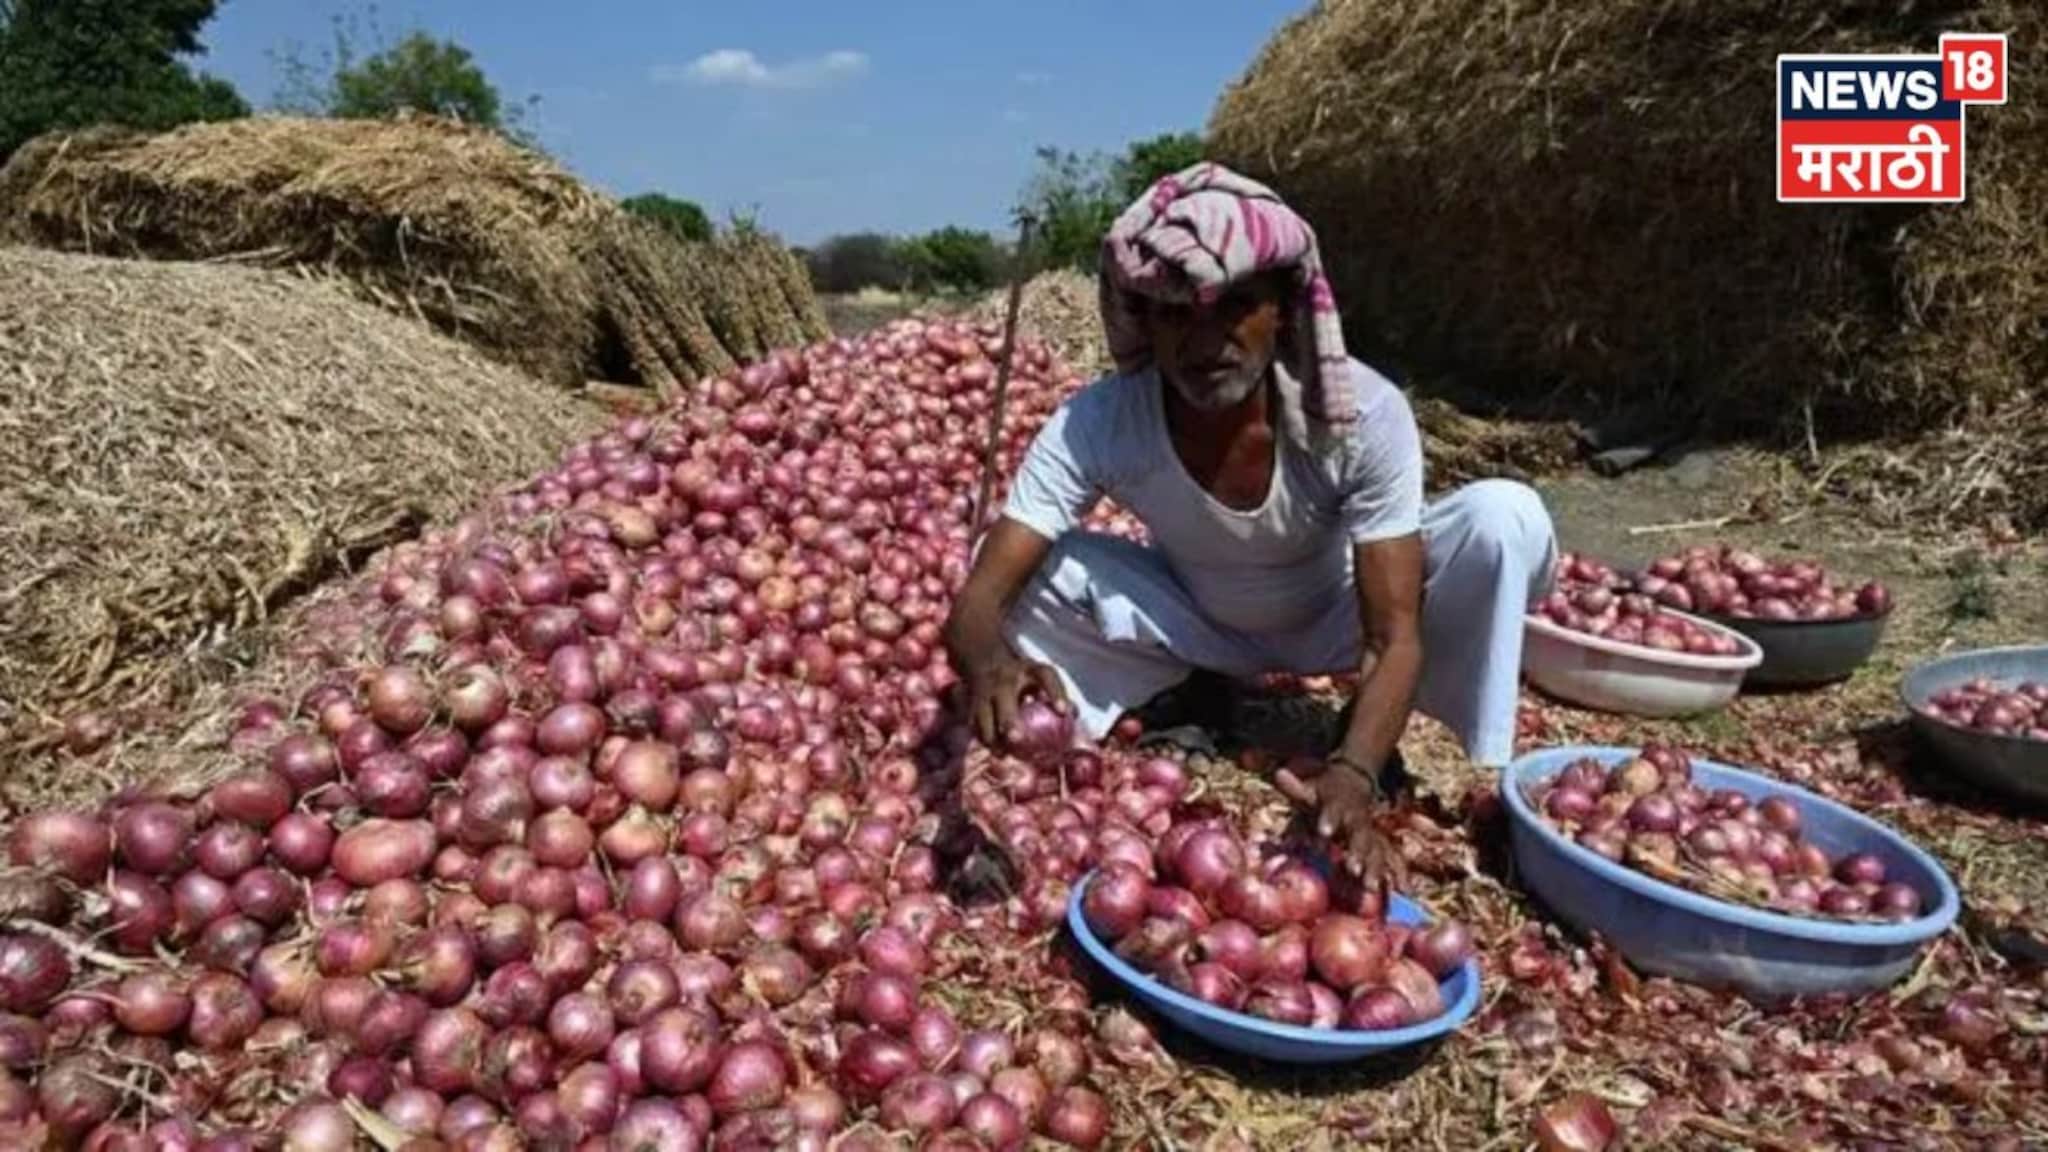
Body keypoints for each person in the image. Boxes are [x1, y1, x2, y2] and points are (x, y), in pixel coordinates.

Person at [943, 163, 1557, 886]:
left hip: (1339, 616)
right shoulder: (1101, 420)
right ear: (1146, 319)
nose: (1206, 341)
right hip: (1201, 620)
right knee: (1031, 568)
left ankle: (1448, 765)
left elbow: (1392, 635)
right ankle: (1185, 690)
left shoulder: (1361, 413)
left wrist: (1354, 773)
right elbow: (979, 597)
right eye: (1177, 313)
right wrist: (987, 661)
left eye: (1235, 306)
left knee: (1502, 517)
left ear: (1285, 311)